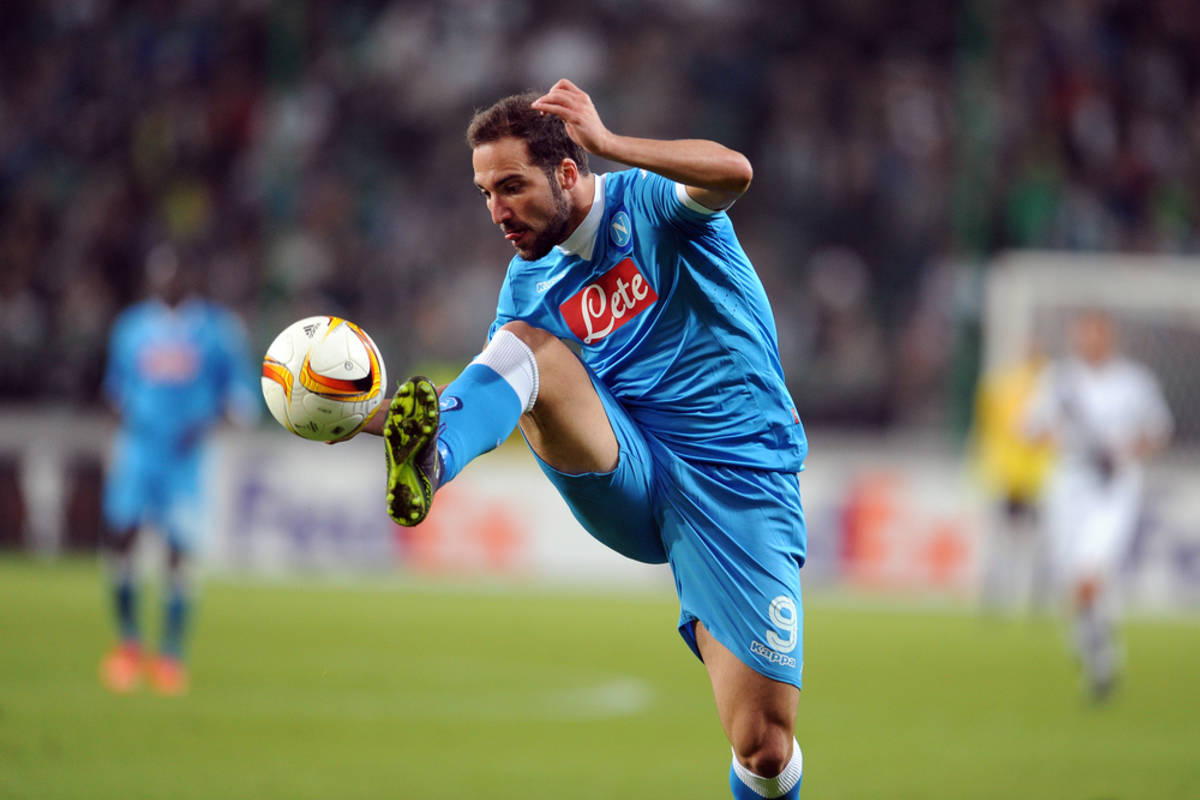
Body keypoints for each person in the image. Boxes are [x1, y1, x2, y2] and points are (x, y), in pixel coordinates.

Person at [358, 79, 808, 798]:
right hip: (628, 470)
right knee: (525, 347)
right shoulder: (526, 288)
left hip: (737, 481)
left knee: (763, 746)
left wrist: (612, 143)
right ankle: (431, 459)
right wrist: (360, 415)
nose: (496, 211)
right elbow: (489, 388)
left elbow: (735, 172)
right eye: (485, 193)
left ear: (568, 171)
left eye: (511, 187)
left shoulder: (649, 202)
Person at [99, 243, 259, 695]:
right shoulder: (131, 327)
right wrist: (123, 419)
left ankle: (170, 654)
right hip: (138, 450)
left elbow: (241, 396)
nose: (168, 282)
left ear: (190, 278)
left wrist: (212, 423)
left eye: (175, 274)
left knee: (179, 549)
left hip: (186, 458)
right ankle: (129, 643)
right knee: (122, 537)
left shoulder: (217, 330)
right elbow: (115, 388)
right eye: (161, 274)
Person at [1023, 310, 1173, 701]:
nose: (1088, 341)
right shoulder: (1059, 380)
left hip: (1113, 487)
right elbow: (1029, 429)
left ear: (1109, 337)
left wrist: (1125, 450)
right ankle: (1093, 638)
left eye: (1096, 334)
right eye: (1082, 335)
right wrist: (1058, 438)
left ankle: (1103, 661)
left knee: (1090, 572)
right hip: (1068, 483)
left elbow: (1158, 431)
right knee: (1069, 581)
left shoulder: (1135, 382)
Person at [971, 345, 1055, 614]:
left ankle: (1004, 592)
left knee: (1008, 539)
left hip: (1015, 472)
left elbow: (987, 427)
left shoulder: (1000, 385)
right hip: (1029, 474)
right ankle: (1029, 594)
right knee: (1030, 539)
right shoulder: (1046, 389)